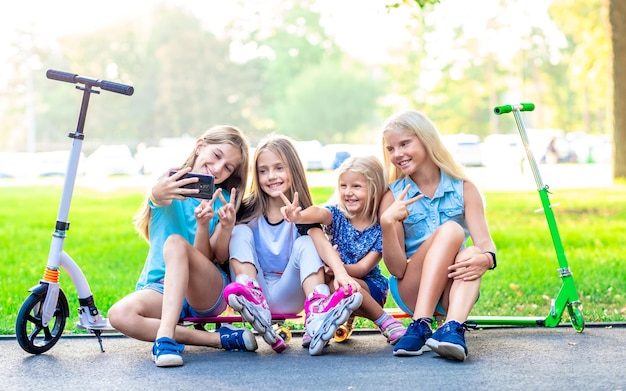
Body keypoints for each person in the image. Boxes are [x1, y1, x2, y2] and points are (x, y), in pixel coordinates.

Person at [108, 125, 256, 367]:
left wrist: (211, 226)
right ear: (200, 146)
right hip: (161, 287)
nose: (218, 169)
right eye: (216, 156)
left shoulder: (223, 201)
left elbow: (210, 258)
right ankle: (215, 340)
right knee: (119, 315)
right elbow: (158, 195)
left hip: (205, 289)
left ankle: (166, 339)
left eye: (228, 167)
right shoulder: (169, 181)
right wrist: (157, 193)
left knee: (176, 244)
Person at [222, 134, 363, 356]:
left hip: (291, 294)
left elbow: (322, 245)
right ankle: (249, 290)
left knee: (307, 242)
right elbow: (225, 250)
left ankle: (318, 308)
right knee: (238, 231)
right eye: (263, 170)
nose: (271, 176)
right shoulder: (245, 211)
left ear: (293, 170)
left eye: (279, 168)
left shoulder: (303, 215)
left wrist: (341, 274)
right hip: (255, 295)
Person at [378, 110, 497, 361]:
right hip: (412, 288)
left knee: (474, 252)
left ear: (426, 140)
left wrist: (486, 260)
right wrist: (387, 223)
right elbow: (397, 269)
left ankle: (452, 329)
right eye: (391, 149)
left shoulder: (464, 188)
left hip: (452, 292)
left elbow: (486, 243)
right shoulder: (393, 196)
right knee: (452, 230)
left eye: (404, 143)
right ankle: (420, 323)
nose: (397, 154)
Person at [280, 155, 406, 345]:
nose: (348, 192)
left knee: (344, 287)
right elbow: (319, 212)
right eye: (343, 186)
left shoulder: (379, 227)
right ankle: (319, 324)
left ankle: (385, 322)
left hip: (370, 289)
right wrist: (299, 216)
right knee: (332, 287)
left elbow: (363, 269)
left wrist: (337, 267)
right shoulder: (338, 215)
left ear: (374, 190)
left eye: (356, 186)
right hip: (337, 285)